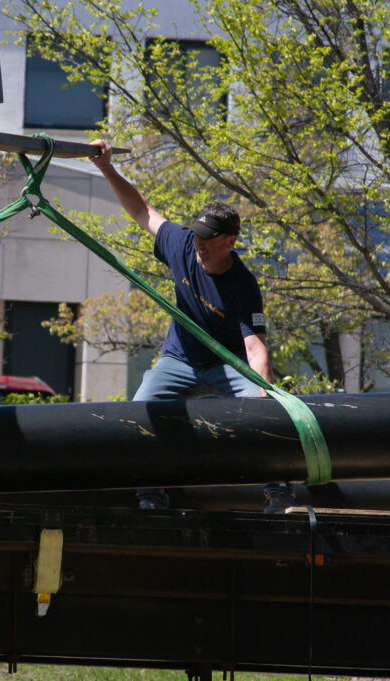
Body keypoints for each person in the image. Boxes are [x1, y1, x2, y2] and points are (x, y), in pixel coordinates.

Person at [89, 139, 295, 514]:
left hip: (226, 365)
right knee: (140, 410)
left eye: (209, 239)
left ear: (230, 242)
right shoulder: (181, 245)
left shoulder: (243, 286)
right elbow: (142, 211)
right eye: (198, 235)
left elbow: (255, 347)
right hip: (179, 360)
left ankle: (277, 491)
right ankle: (152, 492)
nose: (199, 244)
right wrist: (106, 169)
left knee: (265, 409)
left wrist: (264, 390)